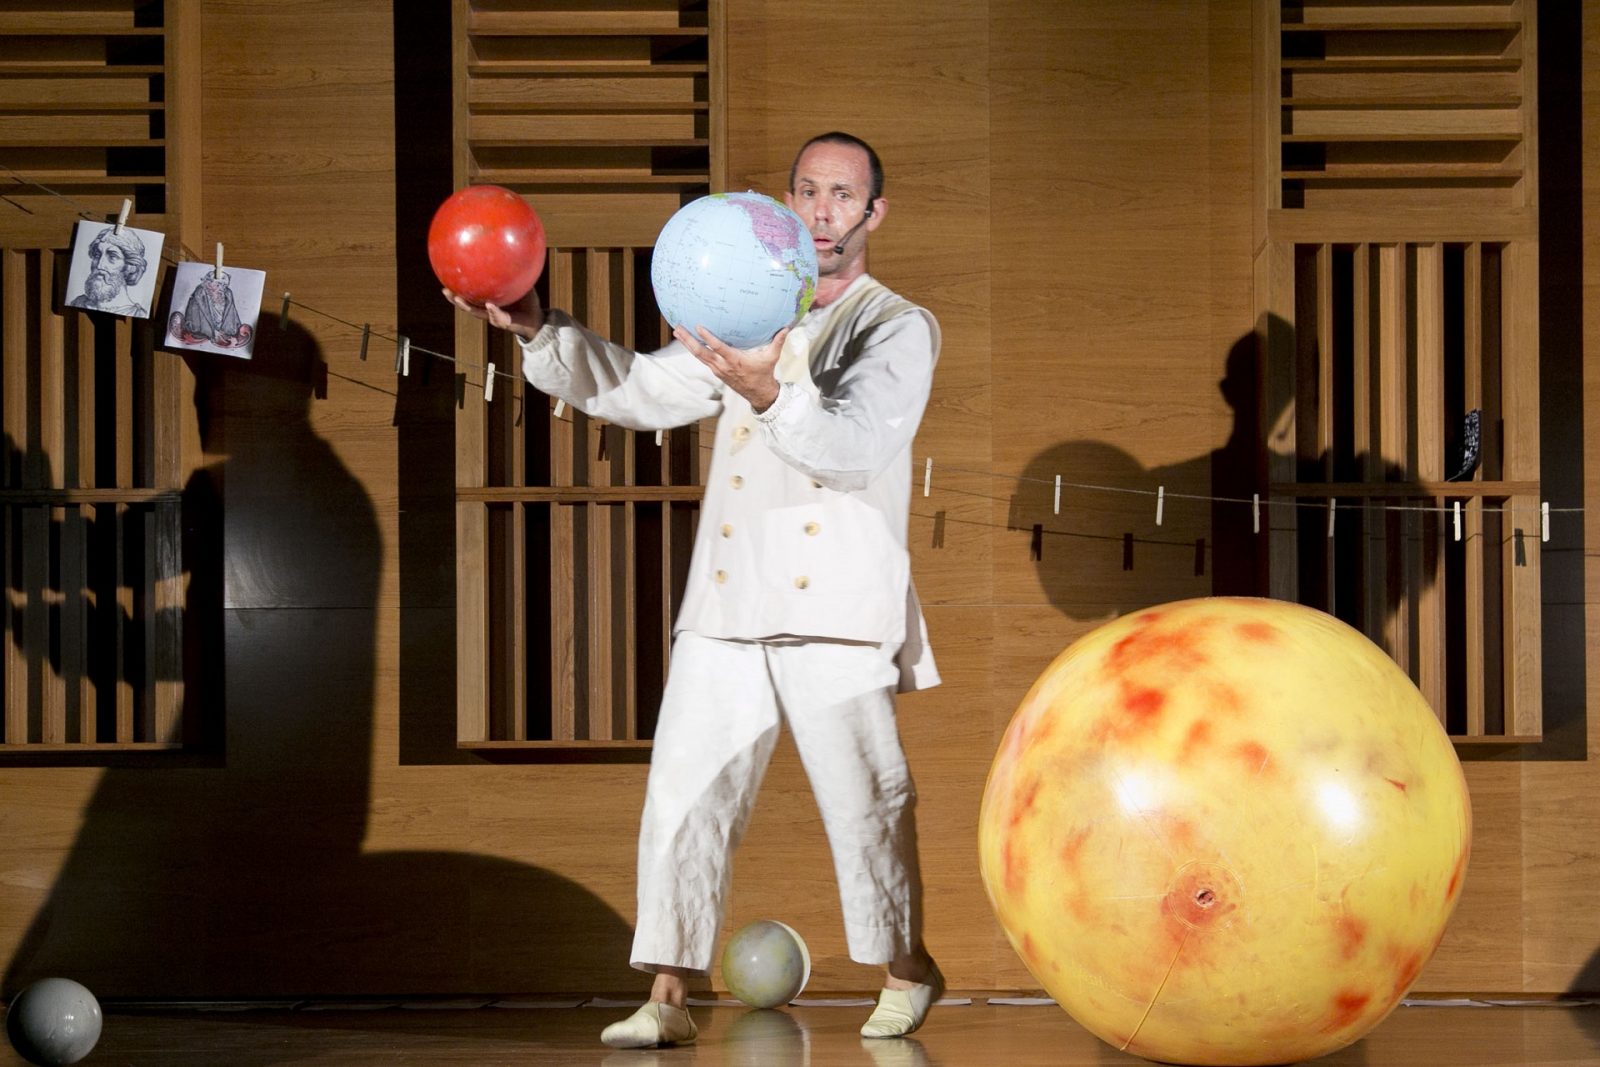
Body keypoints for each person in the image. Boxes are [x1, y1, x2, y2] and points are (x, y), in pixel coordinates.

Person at [445, 131, 945, 1049]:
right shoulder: (749, 312)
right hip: (728, 598)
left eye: (842, 194)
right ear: (786, 205)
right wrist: (538, 328)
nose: (822, 210)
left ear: (874, 212)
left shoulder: (897, 326)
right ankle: (669, 993)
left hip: (836, 603)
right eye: (807, 190)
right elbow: (640, 388)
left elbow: (853, 447)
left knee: (865, 799)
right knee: (684, 797)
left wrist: (767, 391)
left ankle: (906, 967)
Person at [68, 226, 150, 317]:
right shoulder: (78, 303)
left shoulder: (139, 314)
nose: (100, 265)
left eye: (112, 257)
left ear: (130, 267)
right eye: (97, 255)